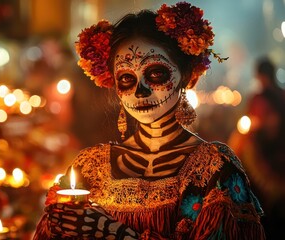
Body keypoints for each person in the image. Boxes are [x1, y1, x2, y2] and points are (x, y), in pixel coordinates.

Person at [33, 2, 265, 239]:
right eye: (125, 78)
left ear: (185, 76)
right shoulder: (89, 168)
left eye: (155, 73)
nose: (139, 91)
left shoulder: (214, 169)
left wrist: (112, 232)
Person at [229, 57, 285, 239]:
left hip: (266, 157)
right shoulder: (281, 94)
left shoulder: (259, 99)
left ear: (260, 76)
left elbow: (251, 124)